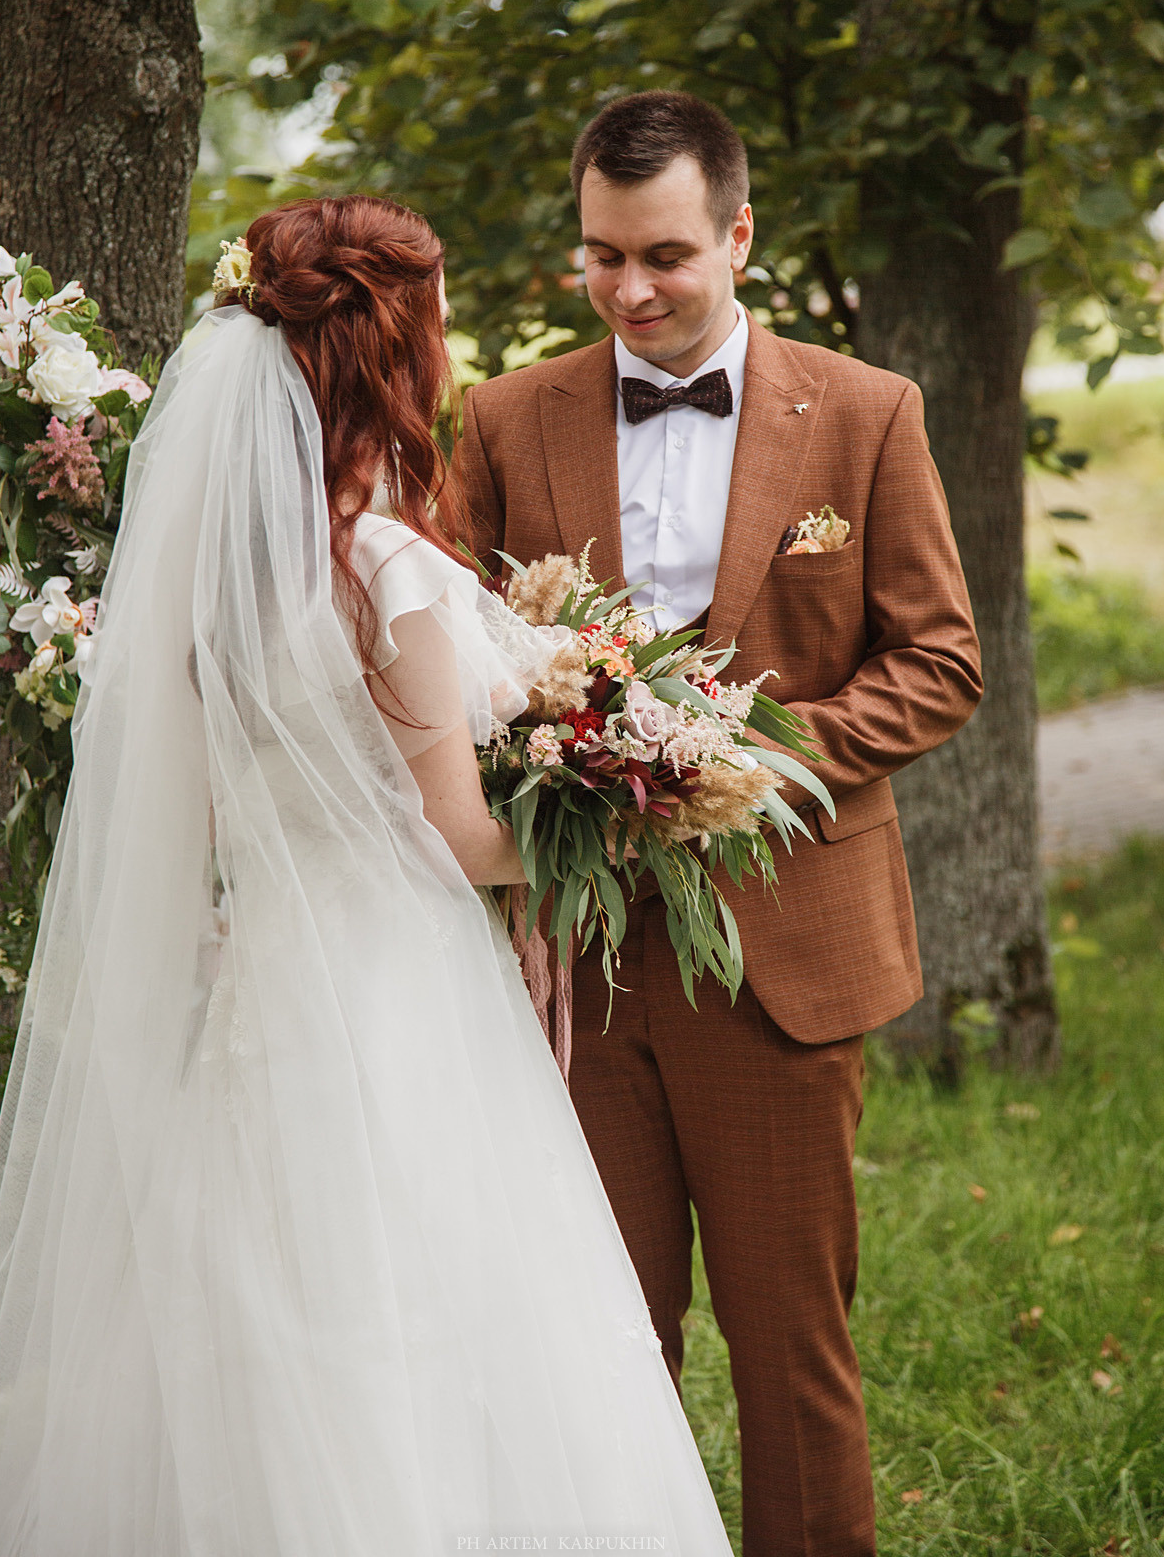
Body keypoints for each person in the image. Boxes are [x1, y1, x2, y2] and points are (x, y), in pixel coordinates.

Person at [0, 196, 736, 1556]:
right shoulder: (386, 564)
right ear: (390, 348)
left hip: (269, 986)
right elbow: (452, 831)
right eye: (433, 319)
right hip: (391, 989)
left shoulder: (234, 567)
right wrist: (638, 804)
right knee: (409, 1307)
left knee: (265, 1297)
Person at [456, 92, 984, 1557]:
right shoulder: (506, 417)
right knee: (597, 1349)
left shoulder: (868, 412)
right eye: (603, 256)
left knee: (789, 1355)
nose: (632, 290)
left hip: (786, 959)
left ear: (740, 237)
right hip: (574, 957)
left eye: (668, 256)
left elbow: (941, 662)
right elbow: (451, 657)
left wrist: (744, 756)